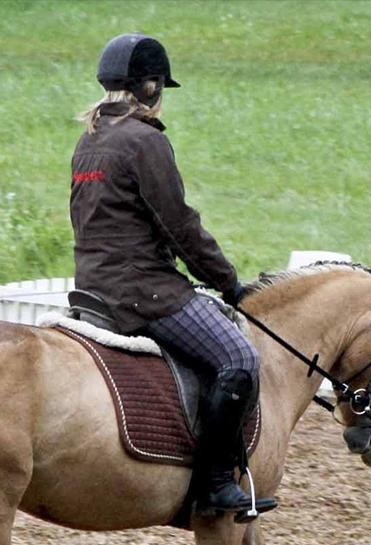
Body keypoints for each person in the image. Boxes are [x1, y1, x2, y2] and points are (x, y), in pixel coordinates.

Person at [69, 32, 274, 519]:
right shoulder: (144, 140)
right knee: (240, 357)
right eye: (159, 86)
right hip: (143, 291)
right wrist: (227, 282)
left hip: (92, 284)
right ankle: (215, 482)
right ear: (150, 86)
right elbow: (180, 225)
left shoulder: (90, 138)